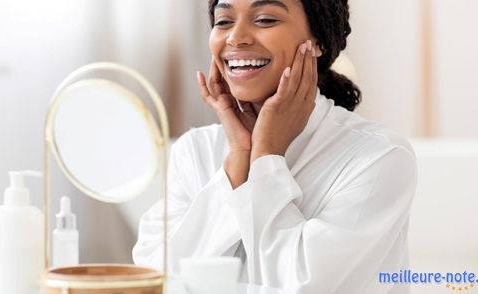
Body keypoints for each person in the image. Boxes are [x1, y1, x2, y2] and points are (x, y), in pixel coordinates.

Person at [133, 0, 417, 293]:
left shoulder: (379, 157)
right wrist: (239, 160)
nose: (235, 37)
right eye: (224, 21)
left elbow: (300, 286)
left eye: (266, 19)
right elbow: (155, 278)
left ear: (317, 40)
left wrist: (266, 157)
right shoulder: (195, 150)